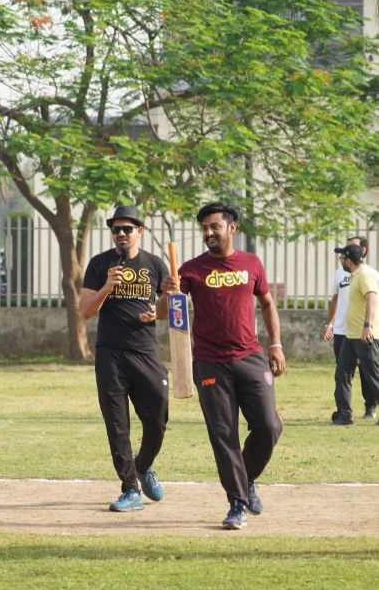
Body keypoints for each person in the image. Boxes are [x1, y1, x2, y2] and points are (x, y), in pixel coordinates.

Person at [161, 202, 285, 530]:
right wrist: (167, 293)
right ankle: (237, 503)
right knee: (223, 434)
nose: (208, 233)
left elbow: (268, 304)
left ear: (232, 228)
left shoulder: (252, 263)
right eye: (204, 228)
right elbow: (166, 312)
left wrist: (276, 344)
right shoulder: (189, 270)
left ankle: (246, 480)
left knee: (270, 426)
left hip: (250, 356)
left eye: (214, 226)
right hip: (210, 362)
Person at [79, 205, 170, 512]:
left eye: (127, 229)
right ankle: (130, 488)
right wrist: (107, 286)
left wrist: (160, 306)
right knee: (117, 425)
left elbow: (171, 311)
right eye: (116, 229)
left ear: (139, 231)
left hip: (145, 352)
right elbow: (84, 311)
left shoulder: (155, 265)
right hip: (110, 354)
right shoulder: (99, 264)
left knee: (158, 418)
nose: (120, 234)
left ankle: (143, 466)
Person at [324, 237, 378, 420]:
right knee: (342, 374)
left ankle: (370, 408)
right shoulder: (353, 275)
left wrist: (367, 326)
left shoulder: (365, 275)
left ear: (348, 260)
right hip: (350, 334)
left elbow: (371, 299)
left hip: (365, 335)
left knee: (372, 377)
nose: (341, 261)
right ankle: (344, 414)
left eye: (342, 258)